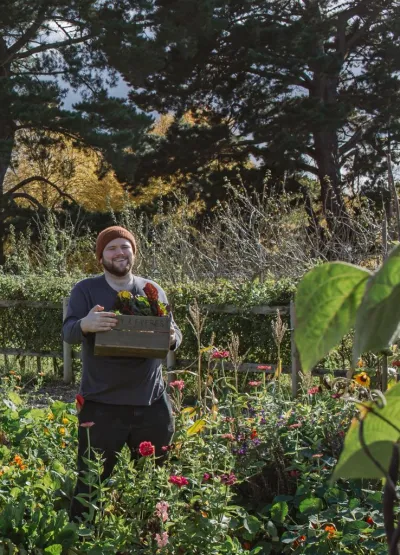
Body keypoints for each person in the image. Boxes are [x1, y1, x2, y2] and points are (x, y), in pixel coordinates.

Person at [62, 225, 182, 521]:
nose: (119, 252)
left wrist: (172, 339)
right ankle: (81, 539)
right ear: (101, 256)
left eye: (124, 247)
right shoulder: (86, 290)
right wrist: (86, 324)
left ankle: (153, 538)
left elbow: (174, 331)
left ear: (134, 252)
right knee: (90, 483)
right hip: (102, 405)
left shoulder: (151, 289)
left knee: (155, 482)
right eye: (112, 248)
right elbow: (68, 332)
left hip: (151, 403)